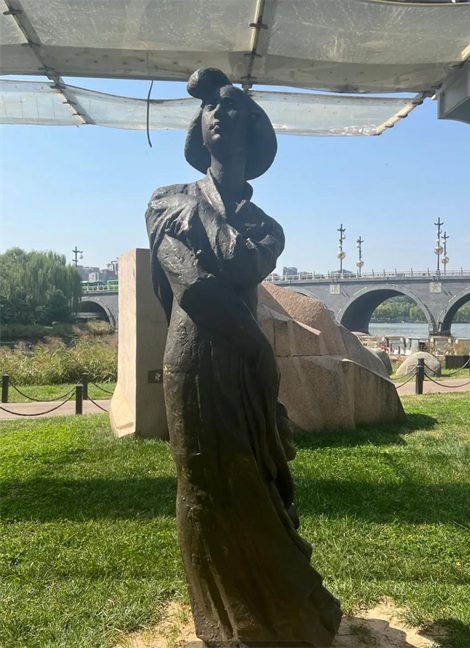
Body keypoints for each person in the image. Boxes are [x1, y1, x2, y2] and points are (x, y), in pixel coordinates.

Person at [146, 67, 342, 647]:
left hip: (247, 365)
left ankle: (284, 608)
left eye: (234, 108)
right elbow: (194, 288)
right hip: (195, 359)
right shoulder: (165, 201)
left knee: (256, 476)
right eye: (212, 107)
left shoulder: (264, 227)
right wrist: (259, 347)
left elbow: (240, 265)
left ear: (255, 131)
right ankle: (226, 618)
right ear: (199, 126)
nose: (220, 114)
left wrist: (202, 222)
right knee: (204, 480)